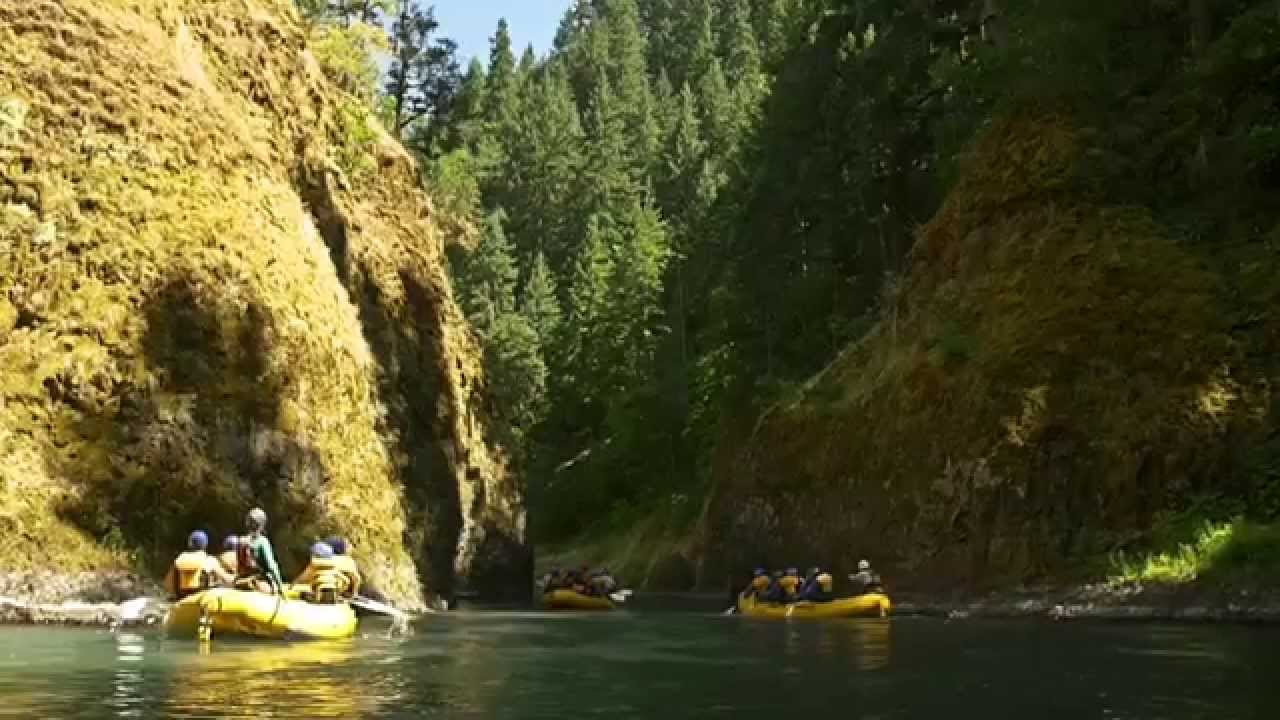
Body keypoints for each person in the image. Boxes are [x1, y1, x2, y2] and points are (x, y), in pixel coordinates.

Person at [164, 530, 233, 600]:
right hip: (200, 599)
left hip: (181, 600)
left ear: (190, 543)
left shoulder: (179, 559)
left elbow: (167, 585)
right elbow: (226, 579)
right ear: (205, 544)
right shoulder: (209, 559)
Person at [235, 507, 284, 594]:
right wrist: (280, 586)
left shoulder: (241, 540)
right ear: (262, 524)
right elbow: (271, 566)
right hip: (258, 582)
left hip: (240, 581)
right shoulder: (262, 541)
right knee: (275, 590)